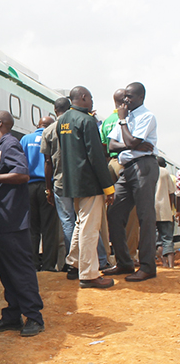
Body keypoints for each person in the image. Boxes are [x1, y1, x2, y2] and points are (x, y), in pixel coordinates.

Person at [0, 111, 45, 337]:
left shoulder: (10, 144)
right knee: (7, 272)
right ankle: (12, 316)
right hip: (1, 221)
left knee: (20, 271)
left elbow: (22, 175)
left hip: (13, 221)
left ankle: (34, 317)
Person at [57, 86, 116, 289]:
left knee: (80, 224)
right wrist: (108, 186)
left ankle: (73, 263)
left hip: (72, 182)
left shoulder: (63, 120)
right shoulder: (87, 120)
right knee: (90, 229)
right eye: (90, 97)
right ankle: (89, 274)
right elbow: (96, 157)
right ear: (83, 97)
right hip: (90, 183)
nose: (92, 102)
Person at [104, 82, 159, 281]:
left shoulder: (146, 116)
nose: (126, 100)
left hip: (144, 166)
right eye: (125, 96)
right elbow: (112, 145)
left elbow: (130, 142)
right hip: (127, 169)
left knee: (145, 216)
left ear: (141, 98)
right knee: (114, 212)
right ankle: (125, 263)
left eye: (130, 97)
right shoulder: (125, 118)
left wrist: (125, 127)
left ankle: (147, 267)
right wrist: (131, 143)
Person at [102, 88, 139, 263]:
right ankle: (130, 255)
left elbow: (104, 147)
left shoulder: (105, 121)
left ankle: (114, 255)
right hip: (126, 163)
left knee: (112, 211)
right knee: (131, 213)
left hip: (110, 164)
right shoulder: (128, 117)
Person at [21, 116, 60, 271]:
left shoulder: (25, 139)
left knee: (32, 228)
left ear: (38, 125)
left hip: (28, 187)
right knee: (49, 228)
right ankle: (49, 265)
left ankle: (33, 264)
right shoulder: (52, 137)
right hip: (47, 185)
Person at [42, 97, 73, 269]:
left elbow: (48, 163)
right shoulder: (77, 125)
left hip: (60, 182)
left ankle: (72, 261)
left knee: (67, 221)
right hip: (80, 182)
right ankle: (94, 259)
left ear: (55, 111)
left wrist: (48, 189)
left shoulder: (49, 131)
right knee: (83, 220)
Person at [154, 157, 175, 268]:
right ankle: (171, 265)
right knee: (167, 238)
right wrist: (170, 207)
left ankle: (164, 264)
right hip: (165, 209)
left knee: (157, 240)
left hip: (152, 210)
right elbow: (172, 192)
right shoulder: (165, 172)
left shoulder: (149, 171)